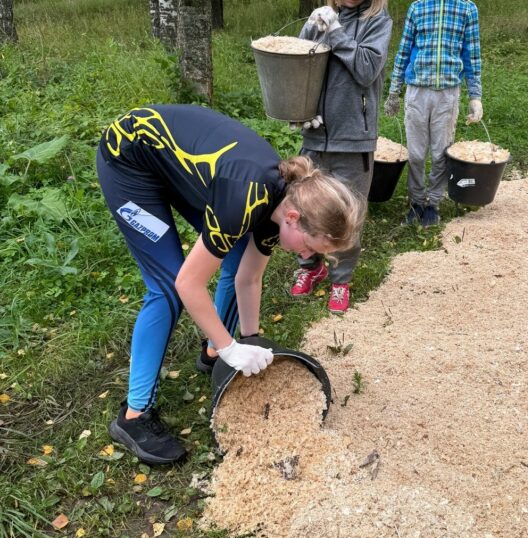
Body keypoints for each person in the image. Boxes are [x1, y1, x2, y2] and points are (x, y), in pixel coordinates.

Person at [97, 104, 365, 465]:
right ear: (294, 219)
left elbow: (249, 277)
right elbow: (188, 284)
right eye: (310, 247)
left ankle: (211, 353)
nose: (306, 255)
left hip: (175, 167)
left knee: (237, 256)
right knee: (166, 288)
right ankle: (134, 416)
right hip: (129, 159)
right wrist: (231, 347)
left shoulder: (281, 206)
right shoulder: (243, 200)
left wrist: (250, 341)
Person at [289, 0, 392, 314]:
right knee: (304, 204)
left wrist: (337, 34)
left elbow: (366, 69)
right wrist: (312, 29)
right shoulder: (322, 17)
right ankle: (309, 266)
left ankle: (341, 279)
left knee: (347, 211)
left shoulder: (377, 22)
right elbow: (301, 63)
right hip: (316, 134)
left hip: (354, 138)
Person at [384, 0, 483, 227]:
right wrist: (394, 91)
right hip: (417, 93)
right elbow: (403, 52)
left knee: (441, 152)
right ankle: (415, 202)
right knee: (415, 153)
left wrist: (475, 95)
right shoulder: (417, 8)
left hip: (447, 95)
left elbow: (472, 55)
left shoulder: (467, 9)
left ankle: (433, 203)